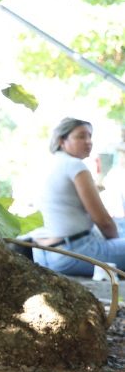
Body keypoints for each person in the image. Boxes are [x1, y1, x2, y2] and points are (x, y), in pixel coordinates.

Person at [32, 118, 125, 276]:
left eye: (90, 136)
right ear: (62, 140)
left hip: (43, 254)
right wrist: (114, 242)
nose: (88, 141)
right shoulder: (75, 166)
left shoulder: (47, 165)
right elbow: (104, 222)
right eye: (81, 136)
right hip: (72, 253)